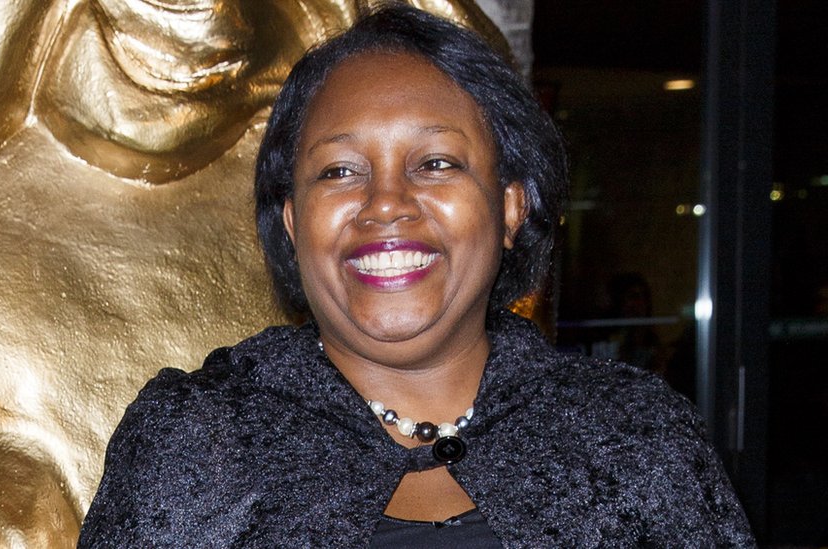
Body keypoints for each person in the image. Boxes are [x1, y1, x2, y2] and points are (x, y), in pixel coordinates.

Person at [78, 4, 755, 547]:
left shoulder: (634, 437)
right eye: (340, 171)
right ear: (292, 222)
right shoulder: (195, 441)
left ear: (511, 207)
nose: (386, 203)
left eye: (435, 163)